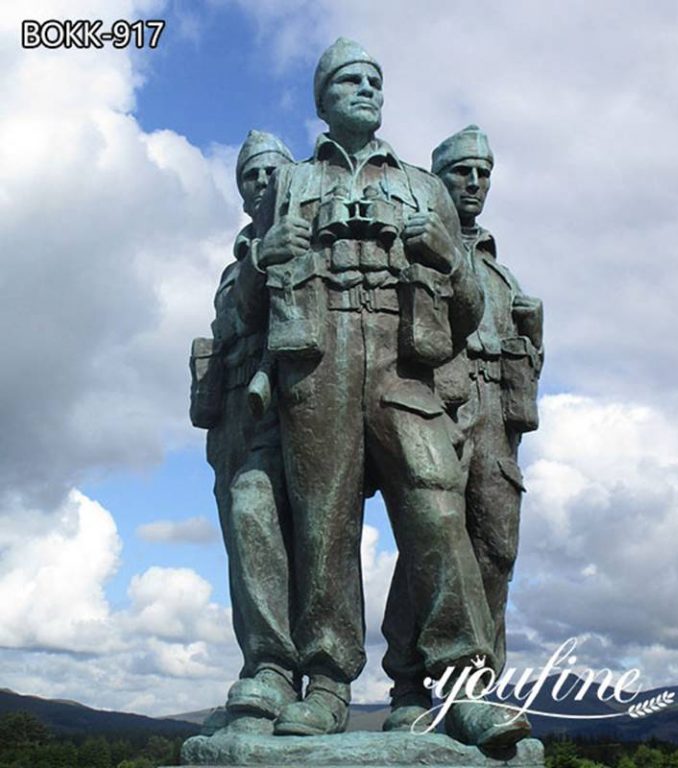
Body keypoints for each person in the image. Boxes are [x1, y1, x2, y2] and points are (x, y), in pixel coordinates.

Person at [235, 40, 518, 746]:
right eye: (350, 81)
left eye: (374, 81)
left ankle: (459, 685)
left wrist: (450, 256)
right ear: (322, 99)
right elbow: (249, 308)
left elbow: (468, 312)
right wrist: (262, 263)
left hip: (404, 368)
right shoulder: (291, 183)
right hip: (319, 362)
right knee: (323, 525)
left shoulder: (426, 188)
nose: (366, 90)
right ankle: (328, 683)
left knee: (436, 513)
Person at [381, 125, 544, 743]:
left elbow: (526, 364)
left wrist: (535, 335)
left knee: (495, 553)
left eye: (484, 172)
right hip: (440, 409)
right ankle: (409, 685)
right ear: (437, 180)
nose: (475, 183)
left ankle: (475, 689)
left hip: (498, 421)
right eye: (461, 172)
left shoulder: (504, 279)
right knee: (432, 543)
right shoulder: (416, 246)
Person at [190, 131, 301, 729]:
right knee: (244, 545)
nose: (260, 183)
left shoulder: (304, 240)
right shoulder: (235, 268)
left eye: (269, 172)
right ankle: (263, 671)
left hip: (291, 405)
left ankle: (287, 668)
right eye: (249, 177)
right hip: (233, 413)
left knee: (276, 521)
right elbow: (233, 319)